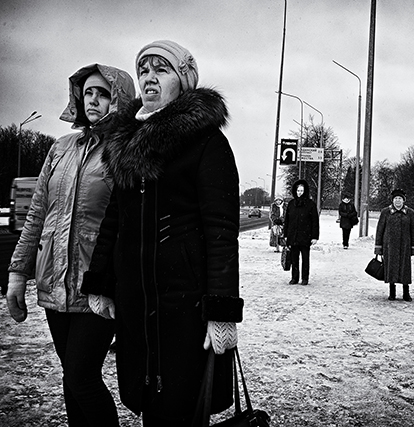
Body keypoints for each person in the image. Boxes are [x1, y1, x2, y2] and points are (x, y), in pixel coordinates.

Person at [81, 40, 242, 426]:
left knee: (183, 407)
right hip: (136, 302)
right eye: (144, 70)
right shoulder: (127, 142)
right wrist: (102, 281)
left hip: (185, 304)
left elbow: (221, 233)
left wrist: (222, 312)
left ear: (183, 80)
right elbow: (114, 219)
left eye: (161, 69)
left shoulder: (206, 142)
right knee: (149, 403)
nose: (149, 78)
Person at [6, 64, 136, 427]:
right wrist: (18, 271)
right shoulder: (61, 148)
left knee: (82, 377)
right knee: (71, 379)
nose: (93, 100)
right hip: (53, 281)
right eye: (88, 92)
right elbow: (37, 214)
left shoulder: (126, 149)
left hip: (96, 286)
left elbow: (129, 221)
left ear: (120, 99)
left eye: (104, 93)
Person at [374, 189, 414, 302]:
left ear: (403, 200)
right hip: (389, 246)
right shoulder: (386, 212)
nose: (397, 201)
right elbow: (380, 230)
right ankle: (392, 292)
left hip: (405, 246)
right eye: (395, 199)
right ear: (392, 200)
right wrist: (378, 247)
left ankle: (406, 293)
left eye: (400, 198)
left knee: (405, 269)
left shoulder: (410, 213)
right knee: (391, 269)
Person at [283, 179, 319, 285]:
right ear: (295, 191)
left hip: (305, 237)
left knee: (305, 259)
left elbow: (315, 222)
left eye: (302, 191)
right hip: (293, 236)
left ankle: (305, 278)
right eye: (298, 190)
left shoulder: (310, 204)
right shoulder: (291, 204)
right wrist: (286, 235)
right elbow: (287, 221)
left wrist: (314, 237)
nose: (300, 193)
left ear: (305, 191)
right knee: (294, 259)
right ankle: (294, 278)